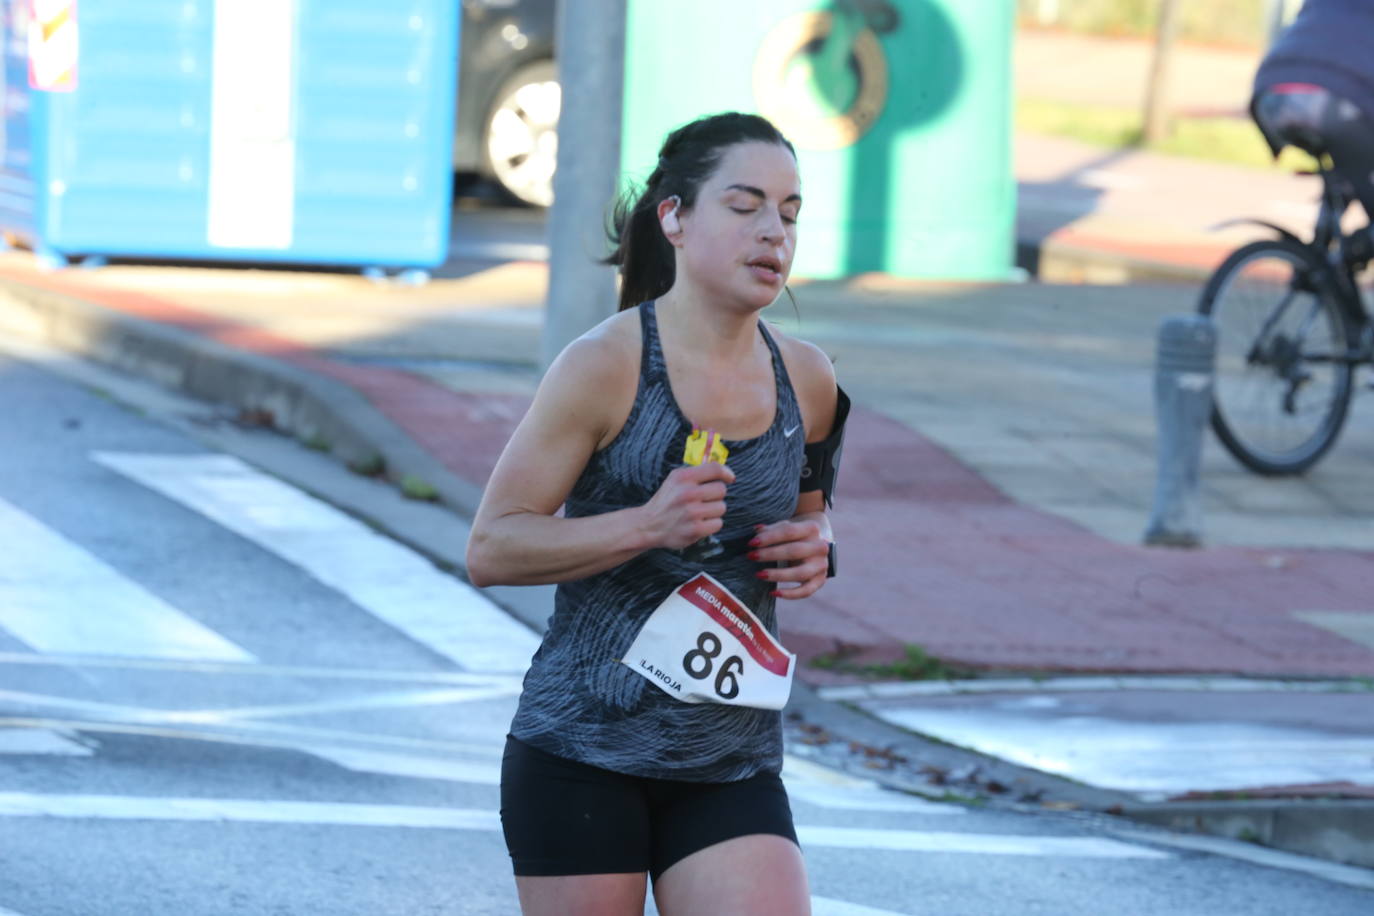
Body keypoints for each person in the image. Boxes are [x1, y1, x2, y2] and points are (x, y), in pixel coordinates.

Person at [465, 111, 846, 916]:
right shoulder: (604, 366)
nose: (772, 232)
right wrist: (647, 524)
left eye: (789, 211)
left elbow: (814, 516)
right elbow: (493, 547)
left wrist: (816, 547)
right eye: (743, 206)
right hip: (583, 749)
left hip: (729, 761)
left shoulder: (807, 381)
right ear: (674, 217)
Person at [1251, 0, 1374, 256]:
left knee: (1346, 163)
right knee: (1351, 142)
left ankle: (1318, 263)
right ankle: (1351, 252)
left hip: (1271, 94)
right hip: (1335, 102)